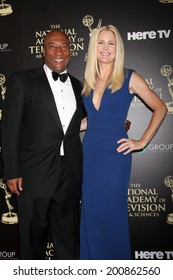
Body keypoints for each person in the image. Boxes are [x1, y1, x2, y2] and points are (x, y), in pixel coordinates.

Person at [79, 25, 167, 260]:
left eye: (111, 43)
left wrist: (142, 142)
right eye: (101, 43)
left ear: (118, 48)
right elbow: (92, 119)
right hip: (90, 155)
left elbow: (160, 107)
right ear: (93, 47)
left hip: (115, 156)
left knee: (111, 214)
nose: (106, 48)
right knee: (91, 213)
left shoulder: (129, 76)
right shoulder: (88, 81)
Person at [1, 29, 86, 260]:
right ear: (42, 50)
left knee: (69, 244)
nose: (59, 52)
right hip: (33, 175)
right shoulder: (22, 80)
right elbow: (10, 130)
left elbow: (76, 125)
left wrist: (113, 123)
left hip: (69, 175)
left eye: (64, 46)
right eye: (52, 45)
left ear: (71, 50)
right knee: (32, 246)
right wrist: (12, 171)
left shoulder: (79, 86)